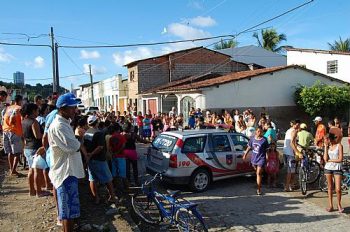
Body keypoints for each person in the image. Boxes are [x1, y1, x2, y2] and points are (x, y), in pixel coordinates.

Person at [48, 93, 87, 232]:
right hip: (65, 173)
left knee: (70, 212)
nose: (75, 110)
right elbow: (73, 147)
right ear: (63, 109)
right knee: (68, 214)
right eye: (72, 107)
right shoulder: (59, 126)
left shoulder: (65, 123)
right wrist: (79, 138)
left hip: (69, 171)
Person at [83, 115, 117, 205]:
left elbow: (84, 145)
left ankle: (96, 198)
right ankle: (112, 197)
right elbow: (100, 147)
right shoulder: (99, 133)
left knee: (92, 179)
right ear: (97, 122)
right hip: (99, 159)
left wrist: (88, 155)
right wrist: (92, 153)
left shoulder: (86, 133)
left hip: (90, 159)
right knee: (108, 178)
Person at [22, 103, 46, 197]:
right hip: (35, 148)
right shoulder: (34, 122)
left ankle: (32, 190)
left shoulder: (24, 121)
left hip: (27, 147)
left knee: (31, 170)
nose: (37, 112)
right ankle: (39, 191)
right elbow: (37, 136)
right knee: (37, 171)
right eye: (36, 110)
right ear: (33, 111)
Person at [243, 127, 269, 195]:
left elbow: (267, 150)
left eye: (261, 131)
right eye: (258, 131)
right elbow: (249, 147)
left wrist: (267, 156)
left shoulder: (264, 140)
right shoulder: (252, 139)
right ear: (256, 132)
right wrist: (245, 154)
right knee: (256, 172)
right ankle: (259, 182)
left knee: (258, 173)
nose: (259, 133)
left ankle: (258, 189)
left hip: (261, 158)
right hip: (254, 158)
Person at [3, 95, 23, 176]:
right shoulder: (19, 108)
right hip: (15, 131)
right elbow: (20, 120)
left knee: (10, 152)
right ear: (20, 101)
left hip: (6, 130)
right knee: (17, 153)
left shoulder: (8, 108)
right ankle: (13, 170)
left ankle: (12, 168)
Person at [324, 133, 344, 213]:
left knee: (338, 189)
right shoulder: (327, 147)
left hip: (337, 168)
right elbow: (325, 159)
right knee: (330, 187)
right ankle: (331, 205)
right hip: (328, 168)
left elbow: (340, 159)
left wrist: (330, 160)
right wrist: (325, 147)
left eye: (325, 139)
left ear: (329, 139)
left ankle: (339, 204)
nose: (324, 141)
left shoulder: (339, 146)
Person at [283, 120, 300, 192]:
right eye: (297, 125)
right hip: (290, 153)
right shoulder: (294, 131)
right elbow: (292, 143)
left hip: (285, 152)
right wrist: (298, 152)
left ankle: (290, 185)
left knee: (291, 171)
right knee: (290, 171)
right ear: (294, 124)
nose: (298, 126)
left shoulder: (288, 130)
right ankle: (287, 186)